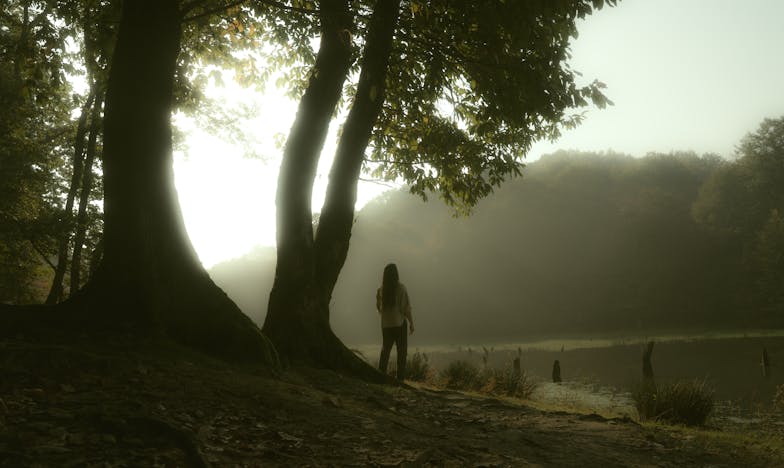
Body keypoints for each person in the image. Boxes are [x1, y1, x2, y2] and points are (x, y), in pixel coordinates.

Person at [376, 263, 414, 380]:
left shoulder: (381, 290)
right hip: (399, 324)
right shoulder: (401, 288)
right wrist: (411, 323)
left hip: (386, 325)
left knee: (385, 351)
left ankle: (380, 375)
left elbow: (379, 309)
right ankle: (400, 378)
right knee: (401, 352)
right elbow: (406, 308)